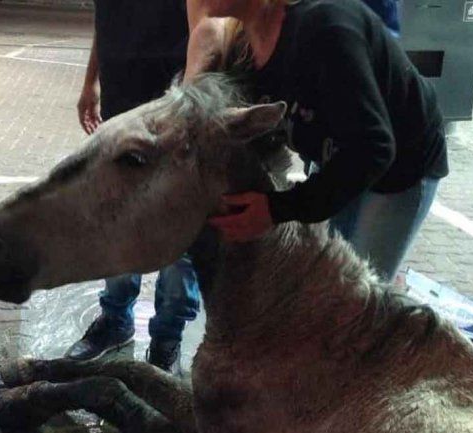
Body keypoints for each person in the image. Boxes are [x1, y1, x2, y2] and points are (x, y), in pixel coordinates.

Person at [189, 0, 448, 282]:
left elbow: (373, 148)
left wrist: (277, 208)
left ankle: (391, 304)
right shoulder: (243, 48)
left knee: (357, 294)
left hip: (401, 163)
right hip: (342, 154)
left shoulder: (326, 28)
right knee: (327, 275)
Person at [68, 0, 201, 374]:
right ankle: (116, 320)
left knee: (177, 239)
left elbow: (208, 29)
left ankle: (166, 337)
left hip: (174, 117)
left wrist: (188, 112)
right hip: (120, 111)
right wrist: (89, 81)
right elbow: (105, 20)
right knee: (118, 221)